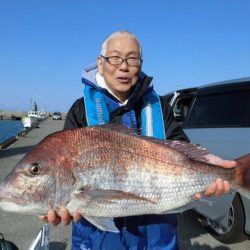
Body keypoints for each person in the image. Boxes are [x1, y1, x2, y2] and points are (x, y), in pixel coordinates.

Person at [41, 30, 235, 249]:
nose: (123, 66)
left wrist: (210, 165)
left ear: (140, 65)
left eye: (132, 59)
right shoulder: (80, 111)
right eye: (115, 58)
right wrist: (58, 205)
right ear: (100, 63)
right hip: (97, 241)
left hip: (157, 237)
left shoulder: (159, 107)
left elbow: (181, 147)